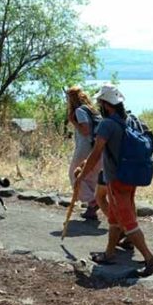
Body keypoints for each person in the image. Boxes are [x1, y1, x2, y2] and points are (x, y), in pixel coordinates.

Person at [75, 83, 153, 277]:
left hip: (118, 179)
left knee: (128, 221)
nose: (98, 105)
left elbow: (96, 153)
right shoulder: (127, 119)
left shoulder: (107, 125)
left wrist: (82, 174)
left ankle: (150, 259)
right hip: (129, 177)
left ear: (106, 104)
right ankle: (109, 253)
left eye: (100, 102)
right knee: (114, 217)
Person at [66, 86, 102, 220]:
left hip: (84, 147)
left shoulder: (79, 111)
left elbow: (85, 130)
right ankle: (92, 208)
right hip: (94, 147)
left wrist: (73, 122)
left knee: (74, 174)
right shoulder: (92, 110)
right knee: (90, 176)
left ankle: (92, 201)